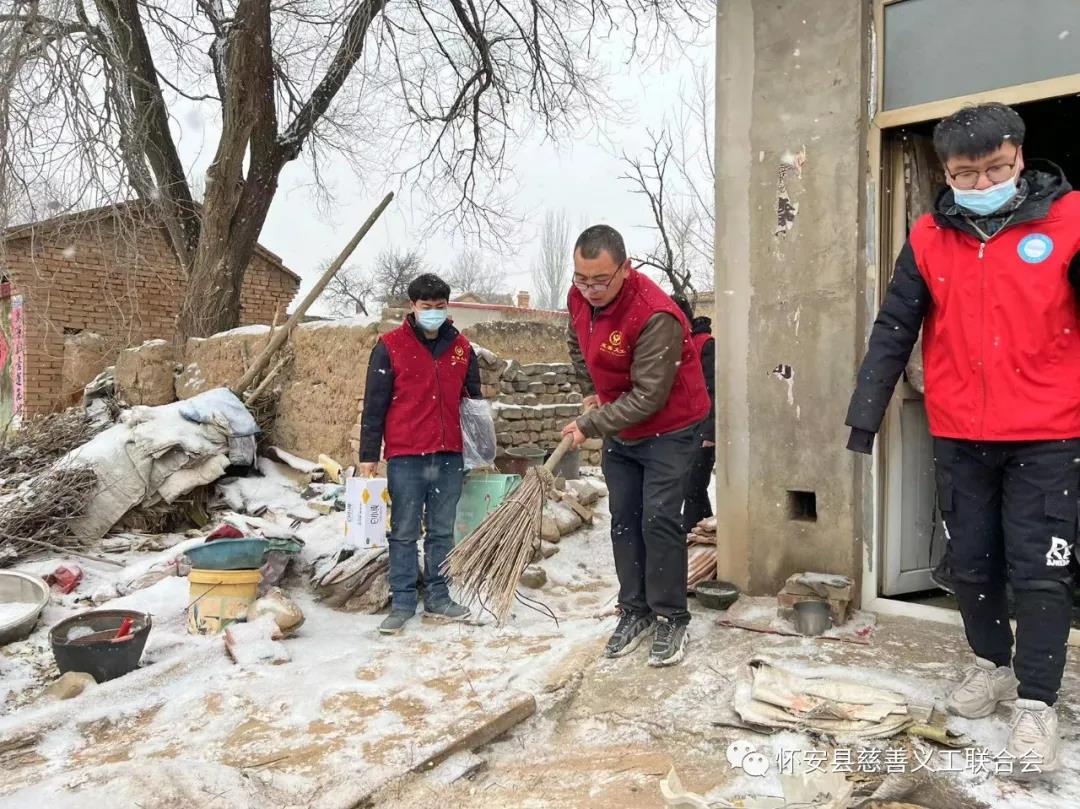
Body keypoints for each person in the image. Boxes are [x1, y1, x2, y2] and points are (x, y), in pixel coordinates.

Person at [845, 102, 1080, 772]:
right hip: (959, 433)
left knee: (1040, 572)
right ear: (945, 172)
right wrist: (866, 413)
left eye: (996, 169)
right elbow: (896, 325)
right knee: (971, 563)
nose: (982, 184)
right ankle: (992, 665)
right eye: (965, 175)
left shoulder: (1070, 220)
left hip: (1049, 434)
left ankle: (1036, 703)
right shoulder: (928, 236)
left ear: (1020, 157)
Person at [561, 225, 710, 667]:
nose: (590, 290)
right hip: (622, 425)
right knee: (624, 517)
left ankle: (671, 616)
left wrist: (590, 423)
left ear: (626, 268)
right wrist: (591, 390)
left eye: (600, 280)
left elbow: (649, 397)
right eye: (581, 279)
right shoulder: (579, 299)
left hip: (671, 426)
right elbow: (576, 342)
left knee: (658, 517)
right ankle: (635, 610)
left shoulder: (654, 315)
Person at [359, 273, 481, 635]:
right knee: (404, 530)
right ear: (412, 306)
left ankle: (439, 596)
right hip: (407, 455)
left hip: (448, 455)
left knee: (442, 530)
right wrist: (368, 455)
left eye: (440, 307)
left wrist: (479, 449)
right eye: (426, 307)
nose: (433, 313)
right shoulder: (390, 346)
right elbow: (375, 405)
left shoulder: (461, 348)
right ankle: (402, 601)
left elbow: (473, 405)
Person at [671, 294, 716, 532]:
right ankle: (704, 534)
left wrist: (709, 433)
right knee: (688, 489)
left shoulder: (706, 345)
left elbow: (715, 391)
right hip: (682, 430)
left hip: (703, 429)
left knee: (694, 487)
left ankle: (694, 534)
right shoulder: (673, 347)